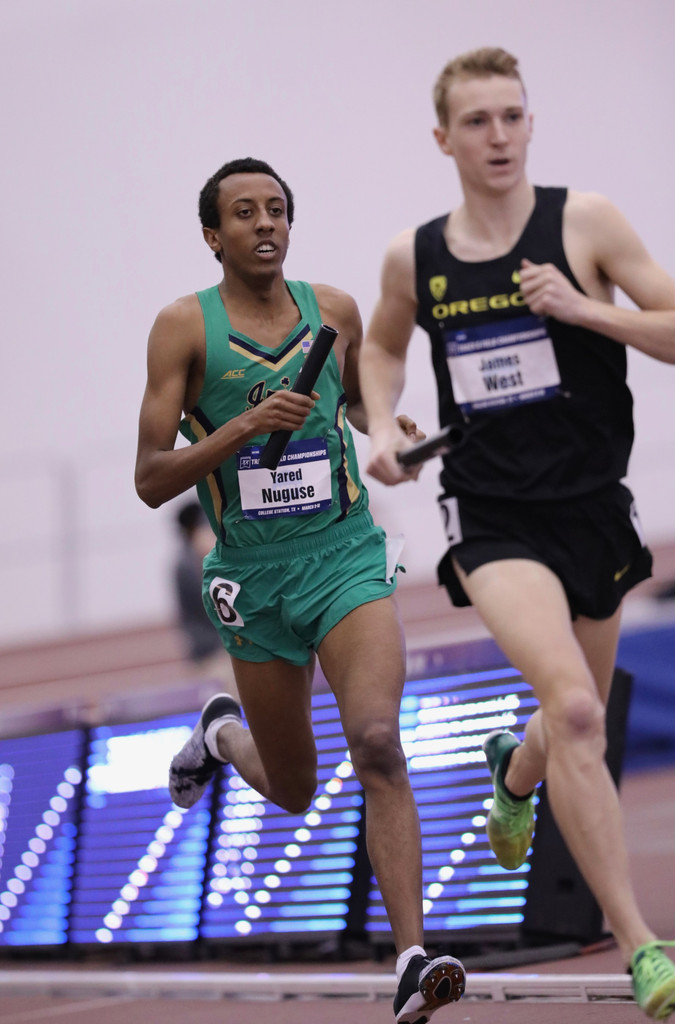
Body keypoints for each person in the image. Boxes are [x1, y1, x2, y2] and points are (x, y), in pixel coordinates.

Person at [359, 47, 675, 1022]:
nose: (497, 136)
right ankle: (641, 946)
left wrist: (580, 306)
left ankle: (514, 766)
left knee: (563, 706)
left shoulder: (581, 222)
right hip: (490, 512)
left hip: (590, 504)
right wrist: (380, 424)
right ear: (442, 138)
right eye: (477, 121)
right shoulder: (415, 255)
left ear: (529, 124)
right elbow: (379, 344)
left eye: (511, 116)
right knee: (579, 711)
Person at [134, 157, 465, 1022]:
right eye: (243, 212)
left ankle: (410, 959)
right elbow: (150, 478)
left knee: (380, 739)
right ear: (214, 235)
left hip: (344, 557)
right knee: (293, 788)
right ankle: (220, 732)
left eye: (276, 208)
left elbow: (358, 407)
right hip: (254, 579)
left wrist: (392, 428)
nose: (264, 222)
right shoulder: (183, 330)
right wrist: (245, 423)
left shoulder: (336, 311)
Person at [173, 500, 239, 698]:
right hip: (213, 653)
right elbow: (212, 601)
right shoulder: (189, 563)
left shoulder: (189, 559)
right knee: (231, 709)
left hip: (213, 650)